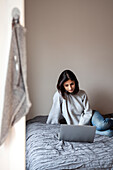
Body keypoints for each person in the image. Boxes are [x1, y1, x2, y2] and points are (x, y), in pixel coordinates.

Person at [46, 69, 113, 137]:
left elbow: (88, 112)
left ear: (75, 82)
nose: (70, 88)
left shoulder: (82, 94)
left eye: (72, 84)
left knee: (102, 125)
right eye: (66, 85)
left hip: (91, 116)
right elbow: (55, 113)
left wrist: (79, 127)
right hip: (82, 128)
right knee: (109, 133)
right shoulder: (59, 95)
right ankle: (94, 128)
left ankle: (110, 120)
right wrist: (52, 127)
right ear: (62, 85)